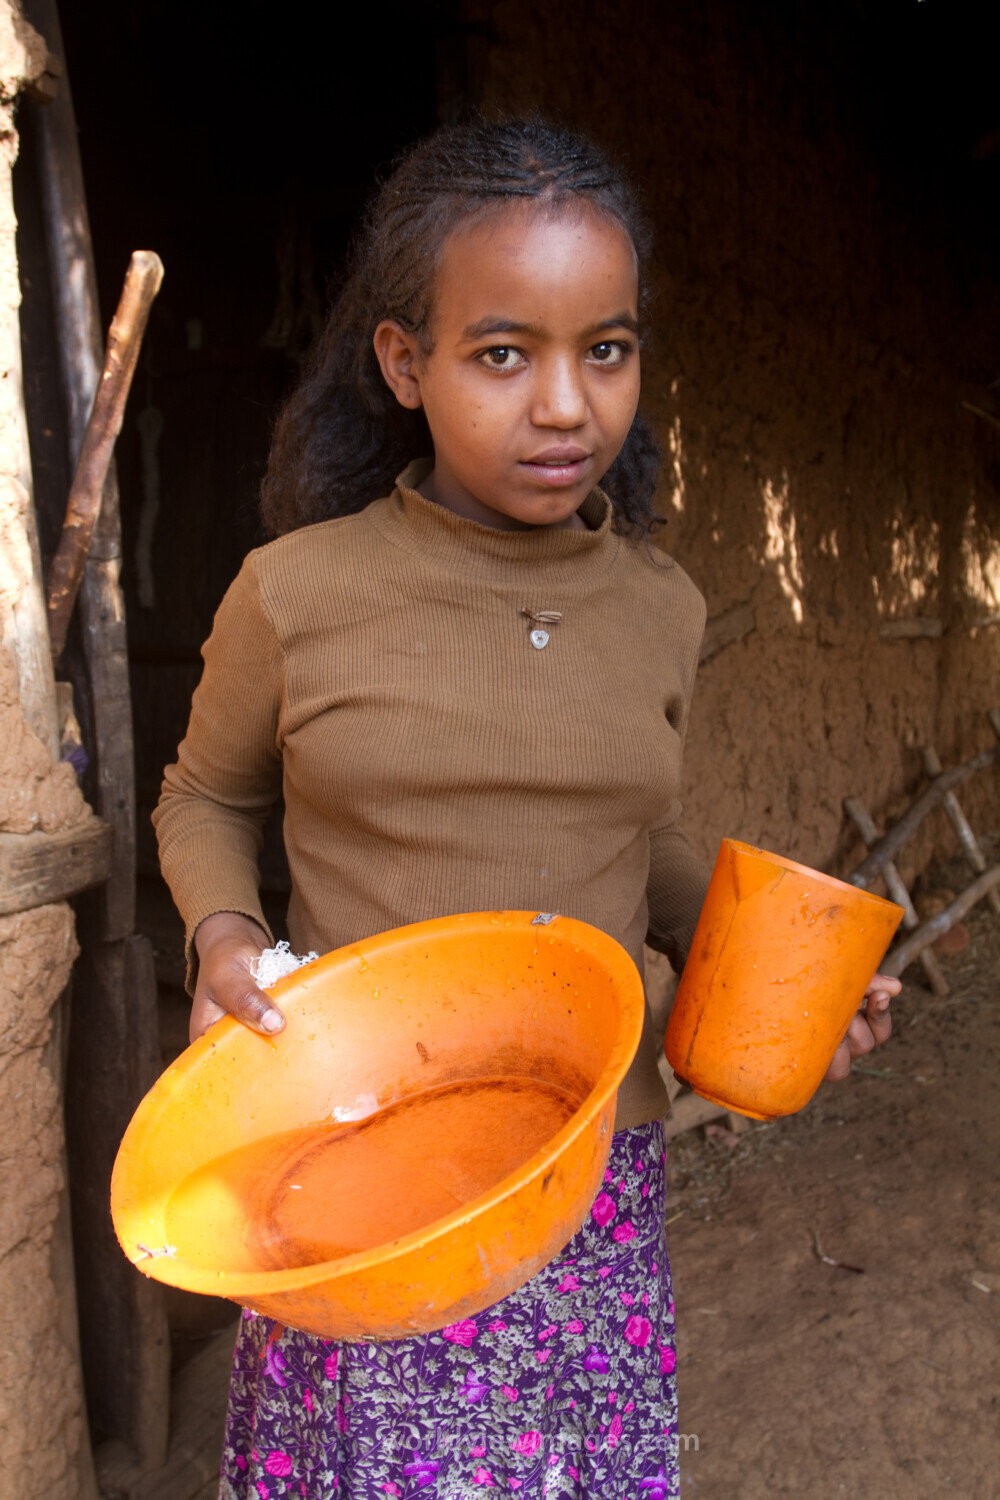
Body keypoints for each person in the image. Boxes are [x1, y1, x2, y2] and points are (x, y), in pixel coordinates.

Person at [154, 117, 898, 1500]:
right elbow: (205, 789)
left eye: (604, 350)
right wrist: (222, 939)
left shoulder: (660, 612)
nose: (566, 405)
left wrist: (785, 980)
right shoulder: (297, 593)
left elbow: (645, 837)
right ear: (404, 364)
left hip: (588, 1180)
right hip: (364, 1166)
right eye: (505, 353)